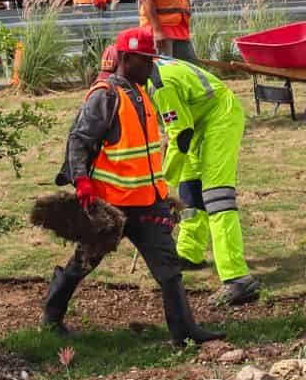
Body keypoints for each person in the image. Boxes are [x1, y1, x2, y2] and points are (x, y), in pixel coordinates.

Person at [45, 28, 224, 345]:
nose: (151, 66)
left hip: (147, 203)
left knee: (169, 269)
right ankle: (51, 318)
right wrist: (82, 182)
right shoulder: (105, 96)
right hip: (111, 207)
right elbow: (79, 140)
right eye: (146, 60)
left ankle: (184, 332)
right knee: (83, 263)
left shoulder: (142, 94)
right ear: (126, 59)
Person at [150, 55, 261, 307]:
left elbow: (181, 135)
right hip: (195, 121)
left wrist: (162, 183)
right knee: (189, 188)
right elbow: (179, 128)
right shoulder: (147, 72)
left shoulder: (159, 85)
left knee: (217, 197)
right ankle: (189, 252)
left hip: (220, 116)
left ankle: (237, 279)